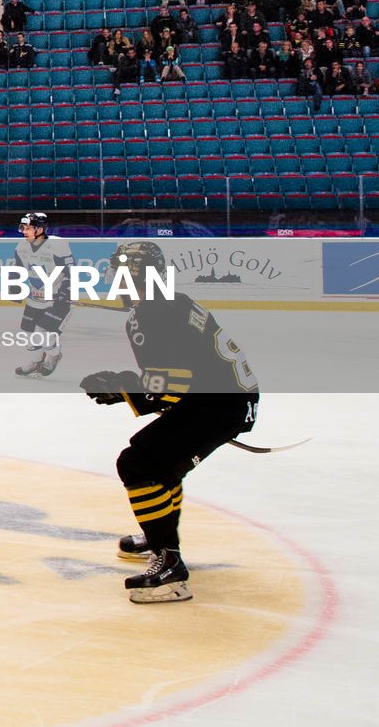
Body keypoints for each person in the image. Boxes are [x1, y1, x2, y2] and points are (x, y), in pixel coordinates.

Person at [80, 241, 260, 604]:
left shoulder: (153, 313)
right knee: (161, 463)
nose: (113, 277)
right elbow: (179, 378)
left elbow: (176, 383)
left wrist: (123, 388)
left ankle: (169, 565)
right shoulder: (166, 303)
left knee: (139, 463)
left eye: (120, 271)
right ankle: (158, 532)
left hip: (219, 405)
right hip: (224, 398)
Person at [9, 212, 75, 379]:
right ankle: (36, 361)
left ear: (41, 229)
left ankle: (54, 356)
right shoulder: (21, 247)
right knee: (28, 333)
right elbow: (17, 269)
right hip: (35, 299)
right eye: (23, 227)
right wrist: (14, 287)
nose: (25, 231)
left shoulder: (57, 246)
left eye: (29, 228)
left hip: (57, 301)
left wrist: (65, 292)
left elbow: (70, 273)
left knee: (43, 332)